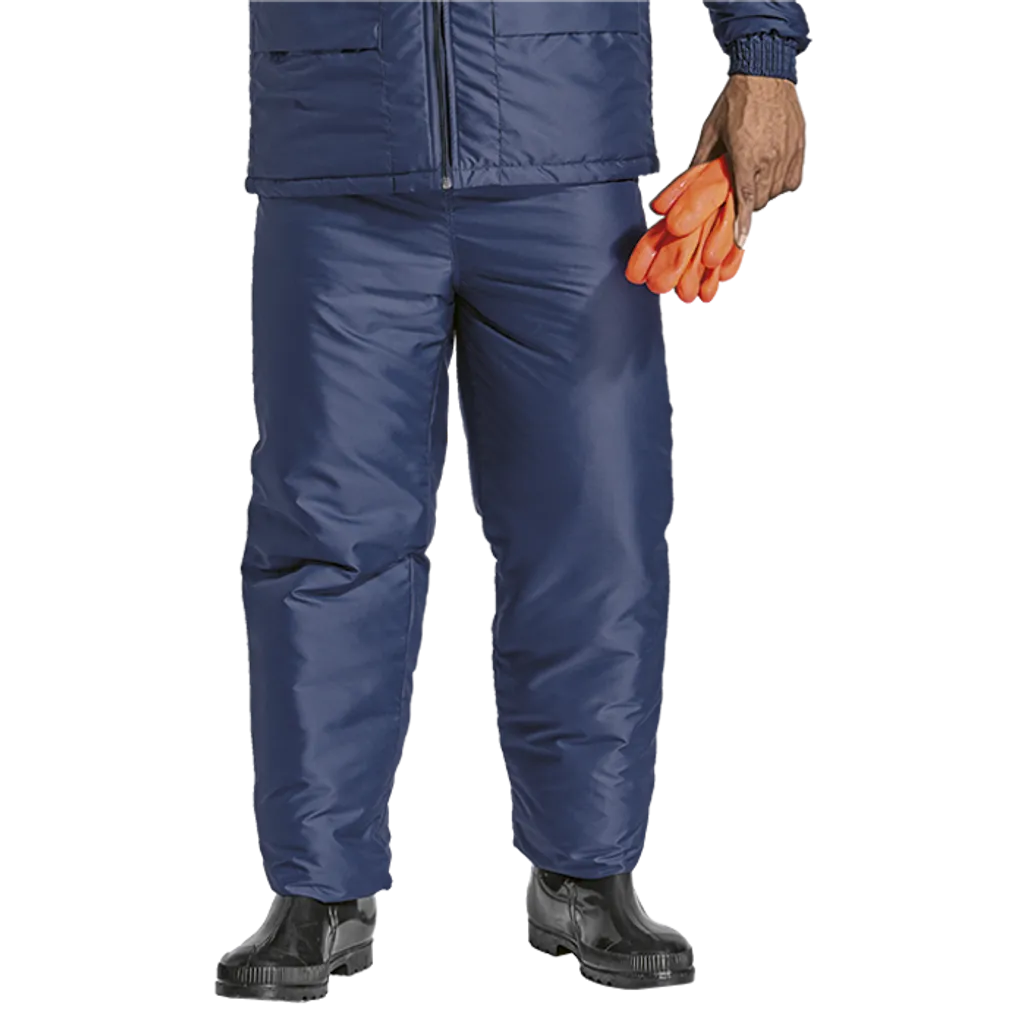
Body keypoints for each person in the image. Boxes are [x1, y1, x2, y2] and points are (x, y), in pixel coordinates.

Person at [219, 0, 812, 998]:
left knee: (593, 529)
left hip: (564, 142)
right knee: (326, 537)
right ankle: (316, 890)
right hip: (338, 147)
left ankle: (585, 872)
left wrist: (765, 54)